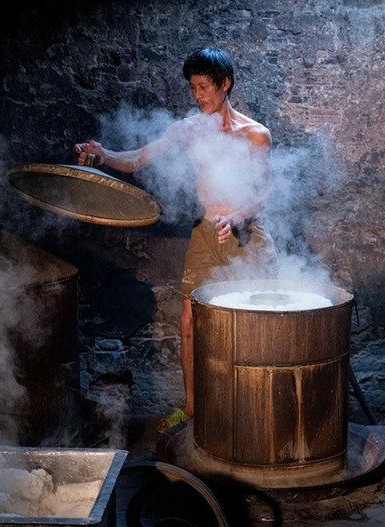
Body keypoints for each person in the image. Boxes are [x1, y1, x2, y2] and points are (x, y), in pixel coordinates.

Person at [74, 46, 278, 433]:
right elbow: (137, 159)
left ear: (225, 84)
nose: (198, 95)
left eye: (204, 87)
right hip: (206, 233)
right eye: (193, 88)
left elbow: (263, 193)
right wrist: (103, 156)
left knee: (258, 320)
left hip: (247, 234)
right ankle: (192, 406)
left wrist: (235, 216)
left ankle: (255, 407)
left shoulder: (255, 135)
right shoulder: (187, 130)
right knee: (189, 322)